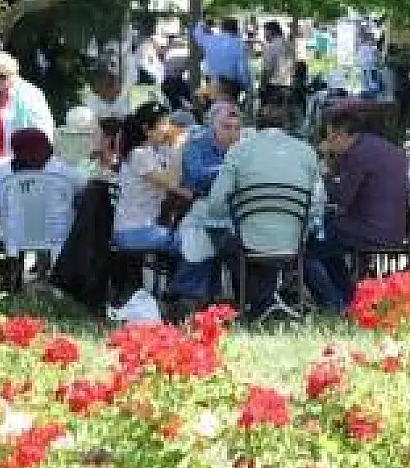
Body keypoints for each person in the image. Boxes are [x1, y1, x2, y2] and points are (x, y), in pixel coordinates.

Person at [194, 102, 322, 313]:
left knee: (223, 241)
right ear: (288, 125)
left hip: (250, 242)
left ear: (255, 124)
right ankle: (271, 299)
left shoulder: (239, 151)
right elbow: (318, 204)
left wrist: (240, 209)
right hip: (294, 241)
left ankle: (262, 301)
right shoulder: (306, 151)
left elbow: (215, 206)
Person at [311, 116, 409, 313]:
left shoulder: (357, 155)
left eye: (330, 139)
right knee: (327, 239)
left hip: (371, 230)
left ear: (341, 136)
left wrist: (324, 176)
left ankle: (335, 300)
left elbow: (341, 198)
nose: (328, 144)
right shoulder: (382, 147)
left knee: (311, 246)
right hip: (394, 227)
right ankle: (348, 294)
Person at [112, 103, 190, 265]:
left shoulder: (155, 152)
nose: (168, 128)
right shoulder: (139, 154)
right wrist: (178, 147)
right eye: (163, 124)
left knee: (190, 241)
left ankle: (174, 286)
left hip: (147, 228)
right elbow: (171, 181)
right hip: (134, 230)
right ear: (147, 129)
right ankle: (179, 289)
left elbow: (172, 180)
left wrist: (192, 193)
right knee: (191, 245)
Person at [0, 51, 56, 169]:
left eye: (2, 77)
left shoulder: (30, 94)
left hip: (23, 163)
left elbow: (43, 132)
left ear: (13, 73)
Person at [181, 101, 243, 198]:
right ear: (212, 126)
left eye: (237, 128)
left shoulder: (243, 145)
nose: (233, 133)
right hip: (200, 200)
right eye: (227, 127)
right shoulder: (196, 143)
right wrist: (230, 168)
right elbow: (196, 178)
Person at [193, 17, 253, 96]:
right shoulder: (240, 44)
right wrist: (247, 86)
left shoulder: (210, 40)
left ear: (222, 28)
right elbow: (243, 69)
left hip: (212, 81)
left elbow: (197, 32)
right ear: (237, 29)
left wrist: (205, 23)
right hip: (230, 86)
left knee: (213, 105)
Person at [260, 21, 293, 106]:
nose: (264, 35)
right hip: (287, 84)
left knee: (269, 114)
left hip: (273, 86)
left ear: (271, 31)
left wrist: (262, 86)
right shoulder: (288, 45)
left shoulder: (271, 47)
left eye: (265, 32)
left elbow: (267, 70)